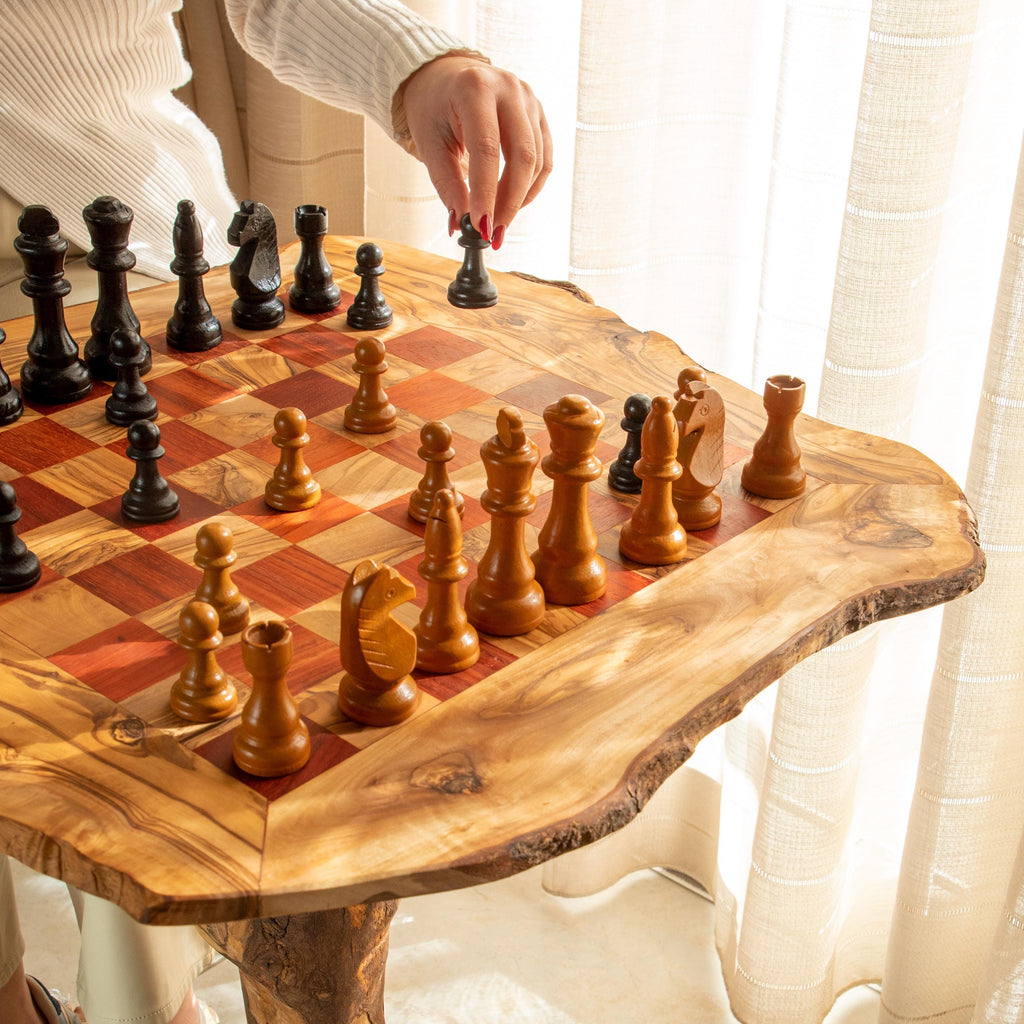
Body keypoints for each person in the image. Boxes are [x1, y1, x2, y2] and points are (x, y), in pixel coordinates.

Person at [0, 3, 552, 1024]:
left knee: (144, 669)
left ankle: (151, 1009)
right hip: (95, 286)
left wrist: (419, 66)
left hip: (141, 246)